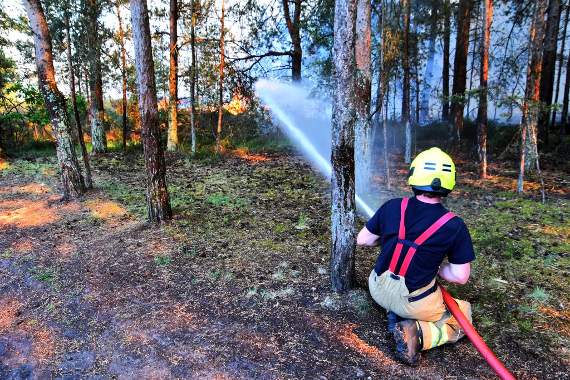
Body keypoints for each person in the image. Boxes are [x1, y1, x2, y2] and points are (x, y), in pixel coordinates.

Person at [357, 147, 475, 366]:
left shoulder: (392, 206)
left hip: (377, 289)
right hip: (414, 303)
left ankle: (394, 313)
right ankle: (418, 333)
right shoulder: (454, 225)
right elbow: (460, 276)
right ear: (449, 182)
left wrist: (386, 241)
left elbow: (363, 239)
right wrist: (439, 268)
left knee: (399, 300)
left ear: (414, 176)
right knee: (463, 314)